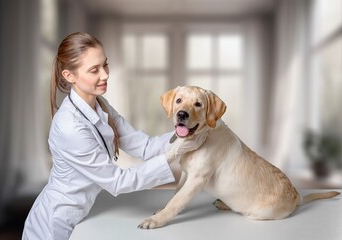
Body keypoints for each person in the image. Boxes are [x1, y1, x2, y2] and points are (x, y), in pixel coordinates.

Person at [22, 32, 207, 239]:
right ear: (69, 76)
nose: (105, 75)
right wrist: (174, 154)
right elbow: (117, 182)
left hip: (83, 212)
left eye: (105, 65)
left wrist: (186, 134)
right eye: (94, 70)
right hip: (55, 221)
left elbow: (144, 146)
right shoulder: (69, 127)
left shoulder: (100, 105)